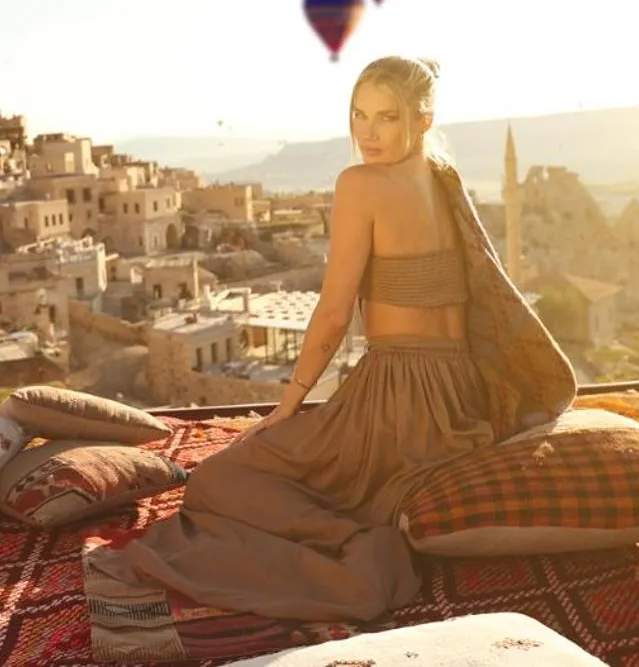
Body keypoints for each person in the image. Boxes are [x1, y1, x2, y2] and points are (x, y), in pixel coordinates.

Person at [83, 56, 579, 625]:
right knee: (291, 462)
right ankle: (367, 524)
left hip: (400, 399)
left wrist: (287, 405)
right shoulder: (444, 176)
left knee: (220, 481)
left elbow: (335, 311)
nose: (367, 132)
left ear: (423, 119)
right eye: (359, 114)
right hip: (459, 395)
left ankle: (359, 542)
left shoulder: (361, 183)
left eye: (386, 117)